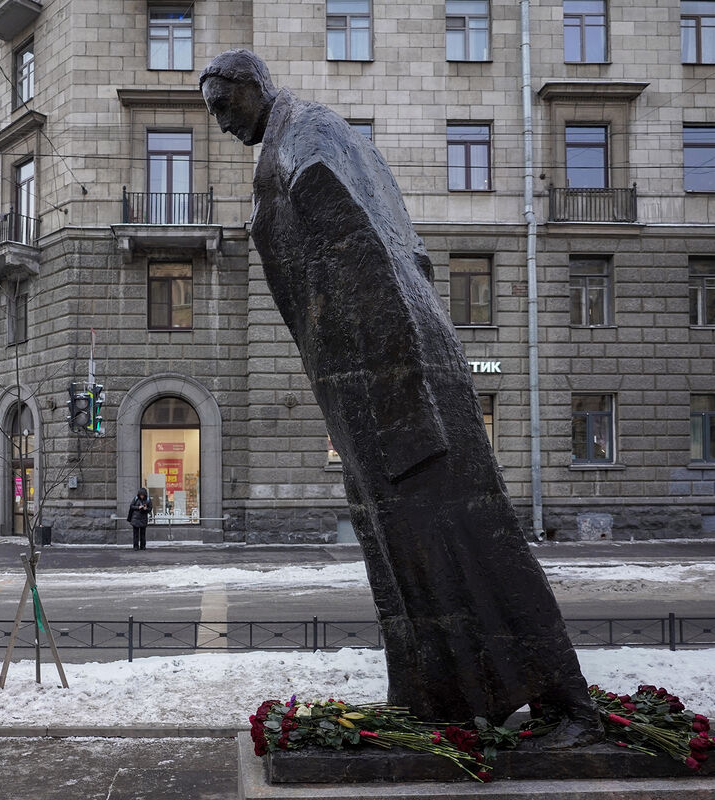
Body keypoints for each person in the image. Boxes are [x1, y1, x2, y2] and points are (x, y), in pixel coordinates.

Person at [199, 50, 600, 745]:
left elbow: (374, 262)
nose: (221, 124)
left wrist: (402, 397)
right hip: (368, 382)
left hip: (392, 375)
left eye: (222, 107)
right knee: (408, 552)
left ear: (252, 87)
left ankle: (567, 705)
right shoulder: (298, 141)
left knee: (474, 538)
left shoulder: (307, 142)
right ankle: (435, 699)